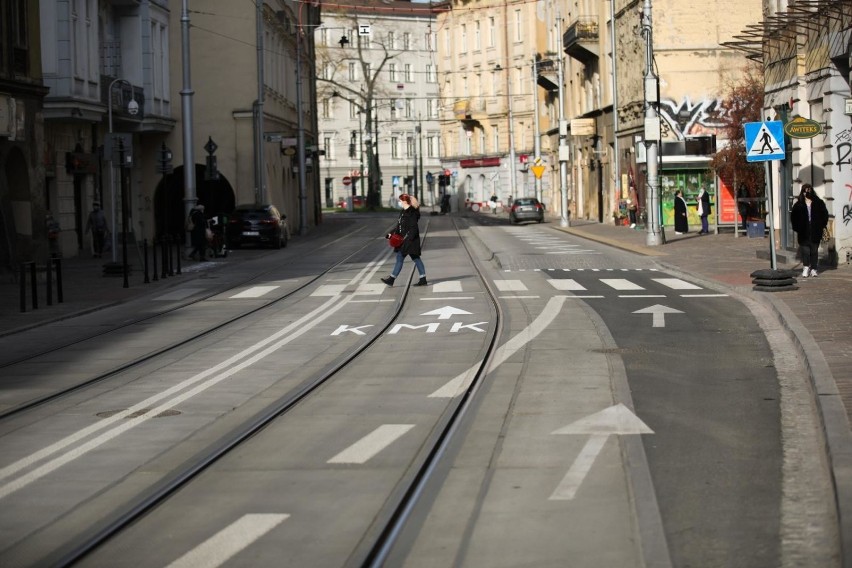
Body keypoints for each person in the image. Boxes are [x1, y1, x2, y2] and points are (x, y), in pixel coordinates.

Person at [381, 194, 427, 287]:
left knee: (401, 258)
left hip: (409, 241)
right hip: (403, 240)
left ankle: (392, 279)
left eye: (400, 200)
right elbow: (399, 226)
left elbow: (413, 228)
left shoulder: (412, 213)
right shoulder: (403, 212)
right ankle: (423, 279)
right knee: (416, 258)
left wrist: (408, 240)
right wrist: (391, 234)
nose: (399, 202)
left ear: (405, 201)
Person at [790, 183, 829, 278]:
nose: (807, 193)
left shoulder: (818, 202)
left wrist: (821, 225)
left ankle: (814, 269)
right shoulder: (798, 204)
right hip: (803, 231)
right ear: (802, 192)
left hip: (815, 230)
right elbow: (793, 217)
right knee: (805, 251)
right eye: (805, 191)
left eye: (809, 190)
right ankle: (806, 267)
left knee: (814, 251)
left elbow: (825, 214)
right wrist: (797, 227)